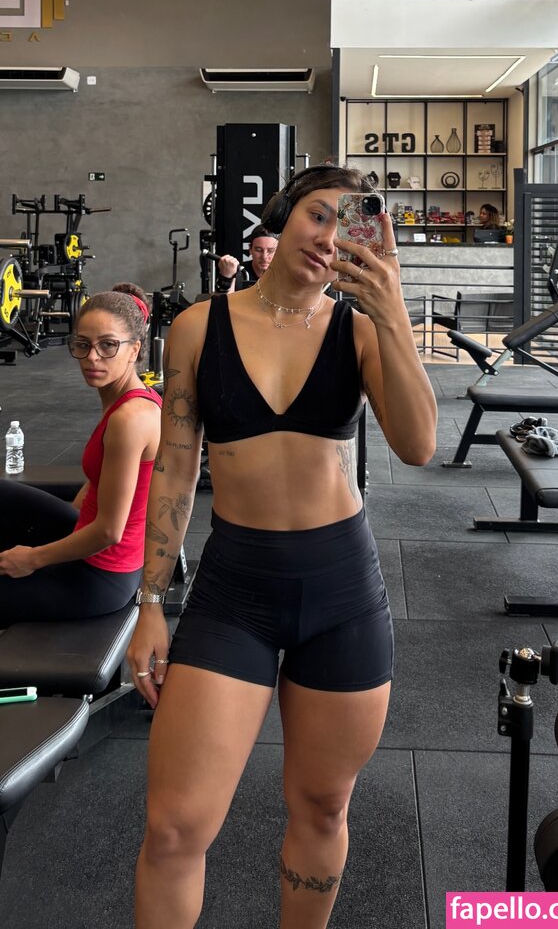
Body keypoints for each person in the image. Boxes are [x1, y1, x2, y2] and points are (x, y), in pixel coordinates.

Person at [127, 164, 437, 929]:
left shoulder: (358, 330)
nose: (328, 238)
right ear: (284, 217)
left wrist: (392, 310)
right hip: (235, 588)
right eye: (318, 215)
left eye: (349, 227)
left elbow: (419, 445)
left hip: (340, 589)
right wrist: (150, 603)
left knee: (323, 806)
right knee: (173, 827)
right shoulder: (199, 326)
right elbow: (174, 468)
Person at [0, 283, 162, 626]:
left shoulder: (131, 419)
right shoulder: (124, 398)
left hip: (99, 576)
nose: (92, 357)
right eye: (83, 344)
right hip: (86, 538)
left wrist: (32, 558)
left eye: (108, 345)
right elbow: (98, 481)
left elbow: (109, 532)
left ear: (134, 350)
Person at [214, 223, 278, 293]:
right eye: (258, 250)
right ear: (250, 249)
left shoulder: (284, 273)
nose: (264, 257)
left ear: (279, 251)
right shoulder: (238, 272)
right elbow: (222, 299)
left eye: (271, 251)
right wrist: (226, 277)